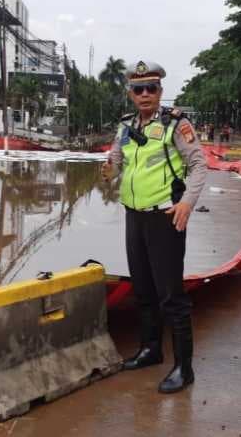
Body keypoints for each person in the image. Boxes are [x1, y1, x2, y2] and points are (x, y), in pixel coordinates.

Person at [101, 60, 207, 394]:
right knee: (143, 289)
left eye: (151, 88)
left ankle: (183, 368)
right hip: (135, 216)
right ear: (130, 94)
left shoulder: (176, 124)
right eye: (138, 89)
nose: (145, 94)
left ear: (160, 91)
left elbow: (199, 164)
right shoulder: (125, 126)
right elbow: (116, 164)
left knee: (171, 296)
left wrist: (187, 203)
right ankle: (150, 349)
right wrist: (107, 169)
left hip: (165, 217)